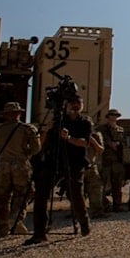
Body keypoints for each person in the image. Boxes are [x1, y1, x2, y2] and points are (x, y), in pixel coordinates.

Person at [26, 93, 93, 245]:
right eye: (72, 103)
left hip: (74, 163)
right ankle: (39, 233)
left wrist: (68, 138)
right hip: (53, 161)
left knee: (76, 195)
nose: (75, 106)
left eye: (78, 103)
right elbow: (41, 144)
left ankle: (84, 223)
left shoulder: (85, 122)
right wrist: (46, 130)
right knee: (41, 194)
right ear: (66, 105)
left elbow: (85, 143)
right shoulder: (58, 121)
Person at [0, 101, 41, 237]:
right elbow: (36, 148)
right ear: (18, 114)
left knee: (1, 197)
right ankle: (16, 220)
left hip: (2, 166)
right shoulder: (27, 129)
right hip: (20, 165)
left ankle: (3, 226)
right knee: (22, 194)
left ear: (5, 115)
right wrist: (25, 153)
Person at [98, 108, 125, 213]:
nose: (114, 117)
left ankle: (117, 205)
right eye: (112, 115)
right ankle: (103, 205)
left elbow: (122, 142)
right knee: (103, 184)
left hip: (117, 160)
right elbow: (101, 141)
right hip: (106, 159)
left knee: (117, 185)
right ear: (108, 117)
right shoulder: (102, 129)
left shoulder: (120, 129)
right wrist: (110, 144)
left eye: (115, 115)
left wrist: (117, 144)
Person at [83, 129, 106, 218]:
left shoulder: (95, 135)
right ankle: (77, 212)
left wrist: (92, 140)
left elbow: (100, 149)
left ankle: (97, 211)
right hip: (76, 167)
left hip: (91, 166)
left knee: (96, 189)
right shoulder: (73, 134)